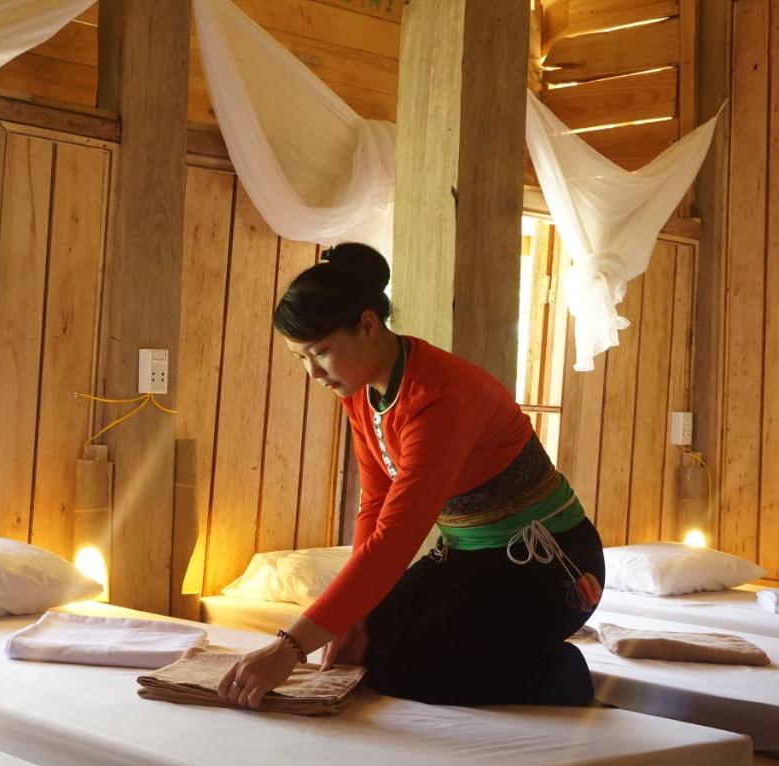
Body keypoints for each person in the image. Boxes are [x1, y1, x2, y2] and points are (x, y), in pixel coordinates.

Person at [218, 242, 604, 710]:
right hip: (473, 558)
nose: (312, 372)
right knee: (365, 648)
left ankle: (561, 674)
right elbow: (376, 504)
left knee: (404, 667)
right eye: (300, 357)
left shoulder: (440, 396)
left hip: (548, 563)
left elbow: (396, 538)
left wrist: (290, 647)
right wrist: (352, 616)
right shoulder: (361, 392)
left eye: (319, 352)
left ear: (367, 324)